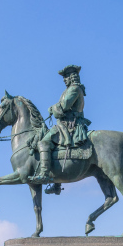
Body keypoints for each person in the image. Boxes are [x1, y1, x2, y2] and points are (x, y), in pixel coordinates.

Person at [30, 64, 91, 195]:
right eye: (64, 77)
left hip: (70, 125)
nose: (64, 79)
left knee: (44, 142)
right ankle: (56, 185)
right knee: (56, 148)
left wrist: (52, 108)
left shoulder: (74, 89)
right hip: (67, 123)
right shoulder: (72, 89)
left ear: (71, 77)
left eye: (66, 77)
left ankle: (44, 174)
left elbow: (63, 107)